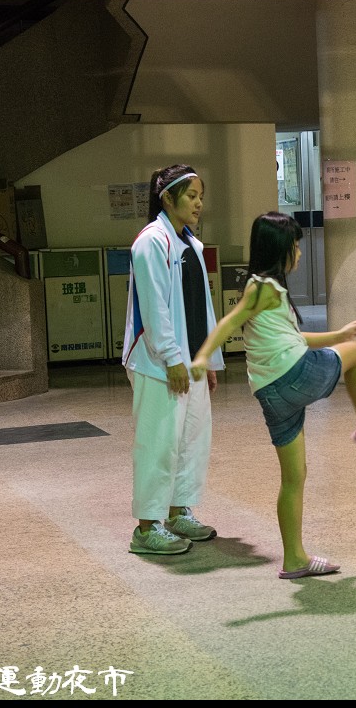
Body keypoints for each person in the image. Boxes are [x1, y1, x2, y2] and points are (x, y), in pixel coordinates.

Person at [190, 211, 356, 579]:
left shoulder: (265, 289)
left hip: (271, 394)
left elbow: (293, 339)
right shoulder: (262, 287)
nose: (298, 252)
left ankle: (294, 559)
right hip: (292, 377)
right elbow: (228, 322)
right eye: (294, 246)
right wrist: (202, 356)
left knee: (295, 477)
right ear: (279, 250)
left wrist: (338, 335)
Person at [123, 164, 225, 555]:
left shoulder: (190, 244)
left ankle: (178, 511)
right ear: (167, 198)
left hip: (190, 362)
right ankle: (146, 528)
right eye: (192, 196)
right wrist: (172, 358)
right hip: (159, 364)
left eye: (201, 196)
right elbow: (154, 309)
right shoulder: (152, 241)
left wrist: (208, 360)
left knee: (190, 441)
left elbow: (202, 308)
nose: (199, 204)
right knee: (159, 442)